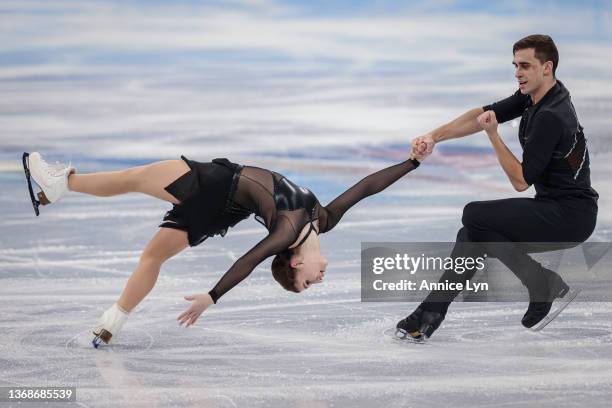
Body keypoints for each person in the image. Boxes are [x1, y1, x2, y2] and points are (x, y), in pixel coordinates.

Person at [23, 146, 425, 346]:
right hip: (223, 210)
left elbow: (250, 259)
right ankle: (112, 322)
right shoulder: (324, 219)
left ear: (295, 261)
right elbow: (365, 188)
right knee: (153, 256)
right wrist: (412, 164)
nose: (317, 281)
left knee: (134, 176)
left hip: (220, 186)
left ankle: (63, 184)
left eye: (305, 283)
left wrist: (212, 297)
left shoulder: (288, 230)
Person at [397, 34, 598, 340]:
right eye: (515, 65)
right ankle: (429, 313)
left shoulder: (551, 116)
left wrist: (493, 135)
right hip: (556, 208)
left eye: (525, 66)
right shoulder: (538, 96)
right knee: (472, 234)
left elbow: (520, 181)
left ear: (547, 67)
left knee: (474, 216)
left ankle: (540, 280)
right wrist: (433, 136)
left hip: (570, 216)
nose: (518, 72)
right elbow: (481, 116)